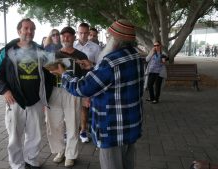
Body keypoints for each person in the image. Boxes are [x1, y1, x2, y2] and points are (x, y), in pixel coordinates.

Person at [50, 19, 144, 169]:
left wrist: (64, 74)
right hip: (131, 126)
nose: (107, 40)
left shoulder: (110, 62)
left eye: (109, 37)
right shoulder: (136, 57)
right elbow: (116, 79)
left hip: (112, 128)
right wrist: (93, 66)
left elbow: (82, 88)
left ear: (116, 41)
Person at [0, 18, 55, 169]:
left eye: (32, 29)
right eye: (26, 28)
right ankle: (17, 164)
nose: (29, 32)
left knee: (35, 135)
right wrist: (4, 91)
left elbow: (54, 72)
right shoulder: (7, 51)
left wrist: (46, 98)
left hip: (36, 100)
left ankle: (31, 161)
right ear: (19, 31)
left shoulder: (42, 52)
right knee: (14, 136)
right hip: (14, 101)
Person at [44, 26, 88, 167]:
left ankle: (71, 154)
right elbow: (46, 75)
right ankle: (60, 151)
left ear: (74, 37)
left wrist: (86, 96)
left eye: (69, 35)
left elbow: (86, 77)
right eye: (63, 35)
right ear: (60, 38)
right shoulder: (54, 54)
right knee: (54, 123)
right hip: (55, 91)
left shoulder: (81, 55)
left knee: (72, 123)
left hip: (73, 92)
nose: (66, 37)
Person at [74, 22, 101, 143]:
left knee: (85, 106)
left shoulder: (95, 47)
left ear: (89, 33)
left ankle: (83, 130)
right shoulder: (72, 46)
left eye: (86, 33)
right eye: (81, 33)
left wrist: (90, 63)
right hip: (74, 80)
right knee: (72, 106)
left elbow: (100, 66)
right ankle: (72, 130)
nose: (83, 35)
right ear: (77, 33)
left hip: (88, 80)